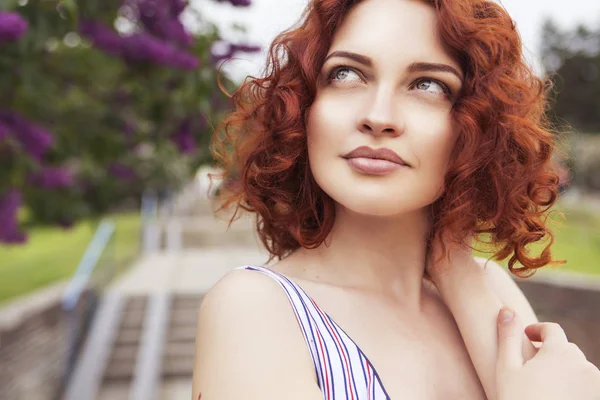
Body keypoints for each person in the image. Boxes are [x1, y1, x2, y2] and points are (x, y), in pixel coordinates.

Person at [192, 0, 600, 399]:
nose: (378, 115)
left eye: (428, 85)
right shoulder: (254, 306)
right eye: (347, 74)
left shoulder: (486, 288)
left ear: (479, 126)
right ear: (304, 108)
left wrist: (453, 267)